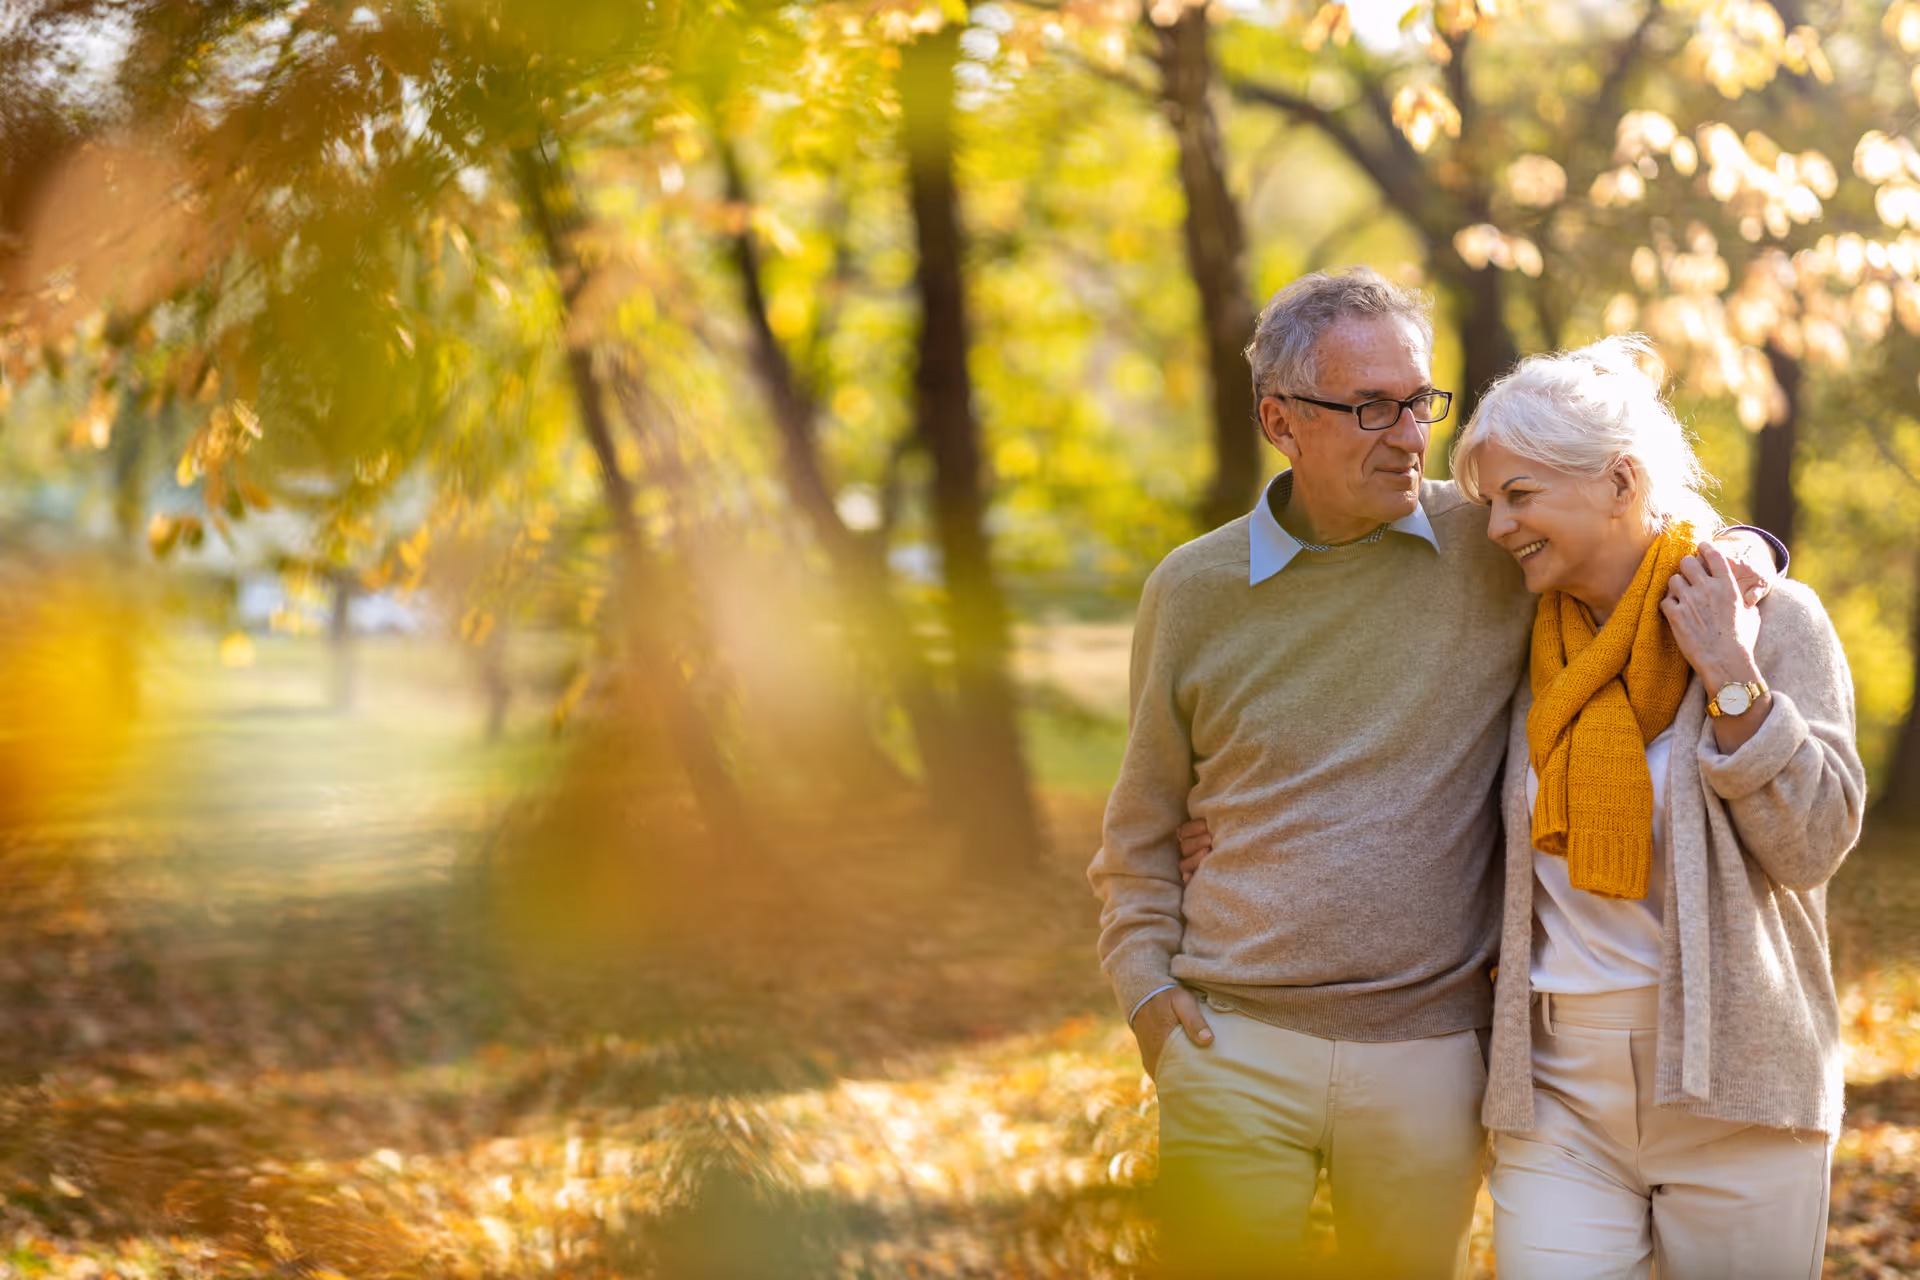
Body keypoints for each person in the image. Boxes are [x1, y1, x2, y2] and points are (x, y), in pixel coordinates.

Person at [1087, 267, 1780, 1279]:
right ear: (1282, 421)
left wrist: (1751, 548)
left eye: (1420, 399)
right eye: (1370, 406)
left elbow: (1629, 531)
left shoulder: (1491, 538)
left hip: (1430, 1053)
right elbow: (1141, 826)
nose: (1408, 433)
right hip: (1231, 1040)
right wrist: (1148, 994)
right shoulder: (1193, 589)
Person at [1452, 336, 1863, 1278]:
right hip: (1556, 1091)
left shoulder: (1772, 620)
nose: (1498, 528)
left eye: (1520, 497)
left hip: (1739, 1085)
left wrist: (1730, 675)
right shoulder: (1521, 641)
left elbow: (1814, 844)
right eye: (1490, 503)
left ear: (1619, 479)